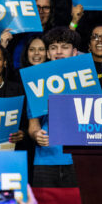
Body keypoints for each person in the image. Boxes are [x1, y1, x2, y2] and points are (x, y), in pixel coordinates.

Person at [28, 27, 80, 187]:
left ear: (74, 52)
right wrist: (36, 135)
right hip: (46, 159)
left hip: (79, 159)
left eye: (64, 47)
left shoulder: (86, 80)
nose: (58, 52)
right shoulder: (37, 83)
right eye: (53, 47)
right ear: (48, 54)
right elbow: (33, 126)